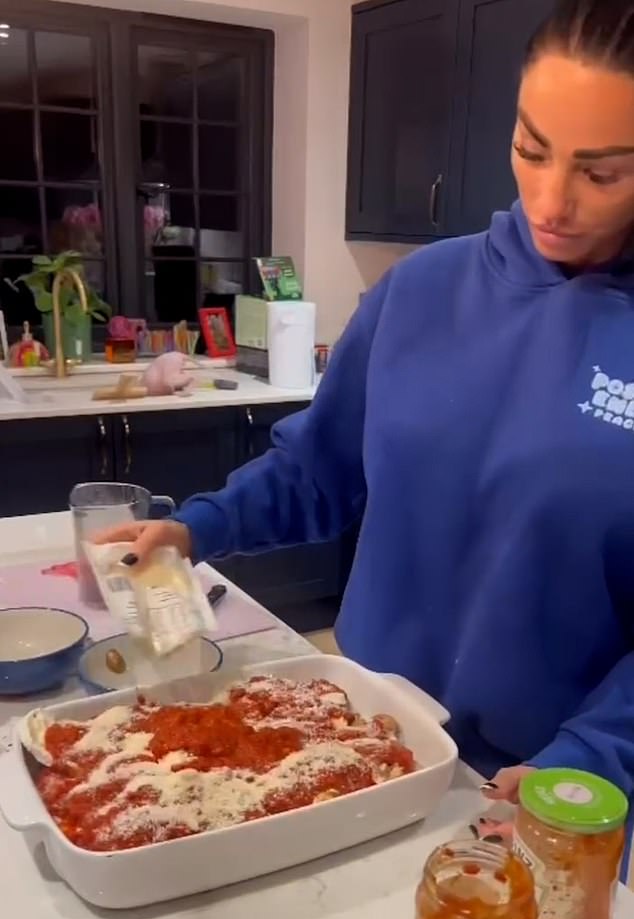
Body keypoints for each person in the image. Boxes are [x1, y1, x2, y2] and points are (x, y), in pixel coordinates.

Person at [97, 0, 634, 861]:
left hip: (541, 792)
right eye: (531, 149)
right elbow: (320, 469)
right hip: (356, 737)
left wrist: (586, 764)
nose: (551, 198)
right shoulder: (421, 291)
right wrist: (202, 524)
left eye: (602, 172)